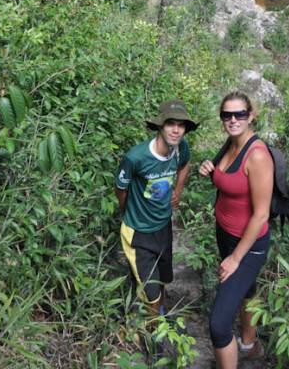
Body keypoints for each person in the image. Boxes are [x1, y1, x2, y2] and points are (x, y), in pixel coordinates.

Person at [199, 92, 274, 367]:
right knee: (246, 289)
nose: (233, 120)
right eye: (227, 115)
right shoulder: (230, 144)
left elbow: (261, 213)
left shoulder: (257, 155)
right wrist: (210, 170)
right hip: (225, 233)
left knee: (218, 325)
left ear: (251, 115)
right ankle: (250, 343)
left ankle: (241, 348)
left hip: (249, 244)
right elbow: (231, 184)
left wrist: (235, 258)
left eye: (239, 114)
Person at [115, 98, 198, 316]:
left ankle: (159, 315)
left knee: (162, 279)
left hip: (163, 226)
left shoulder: (181, 149)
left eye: (181, 126)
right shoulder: (136, 158)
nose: (176, 130)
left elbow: (185, 164)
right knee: (150, 292)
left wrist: (177, 190)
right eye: (171, 124)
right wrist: (128, 212)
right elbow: (120, 188)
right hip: (138, 232)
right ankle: (156, 343)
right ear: (160, 126)